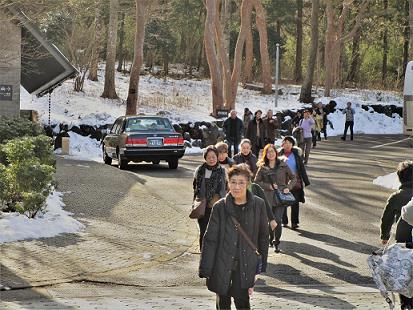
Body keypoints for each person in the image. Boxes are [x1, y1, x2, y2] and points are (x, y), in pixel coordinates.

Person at [199, 164, 269, 310]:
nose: (237, 187)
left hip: (246, 262)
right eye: (233, 182)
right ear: (228, 183)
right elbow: (210, 239)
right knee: (223, 300)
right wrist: (206, 267)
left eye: (241, 182)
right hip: (221, 261)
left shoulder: (258, 204)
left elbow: (263, 236)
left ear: (248, 184)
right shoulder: (220, 207)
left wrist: (261, 265)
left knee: (242, 300)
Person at [380, 160, 413, 310]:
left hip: (402, 238)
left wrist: (385, 235)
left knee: (404, 271)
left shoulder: (396, 197)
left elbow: (386, 218)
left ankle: (405, 303)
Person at [254, 144, 296, 253]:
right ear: (265, 154)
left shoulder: (283, 165)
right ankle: (270, 238)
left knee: (277, 219)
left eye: (272, 151)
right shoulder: (262, 168)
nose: (271, 154)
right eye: (268, 152)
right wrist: (268, 186)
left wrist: (288, 187)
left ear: (276, 153)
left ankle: (277, 242)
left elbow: (293, 178)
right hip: (267, 198)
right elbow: (256, 182)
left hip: (280, 198)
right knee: (270, 221)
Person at [193, 146, 227, 250]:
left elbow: (225, 188)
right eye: (209, 157)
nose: (211, 159)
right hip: (203, 206)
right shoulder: (200, 170)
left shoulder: (222, 171)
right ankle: (203, 252)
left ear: (217, 157)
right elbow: (195, 188)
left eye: (213, 157)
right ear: (205, 158)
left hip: (217, 206)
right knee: (204, 230)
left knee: (216, 231)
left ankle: (214, 253)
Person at [278, 136, 310, 230]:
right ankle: (284, 221)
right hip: (282, 182)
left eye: (289, 143)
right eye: (285, 143)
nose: (287, 145)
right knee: (283, 202)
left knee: (295, 202)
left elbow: (302, 169)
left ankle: (294, 222)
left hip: (295, 182)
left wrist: (305, 180)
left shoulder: (296, 156)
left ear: (293, 145)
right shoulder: (278, 155)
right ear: (282, 144)